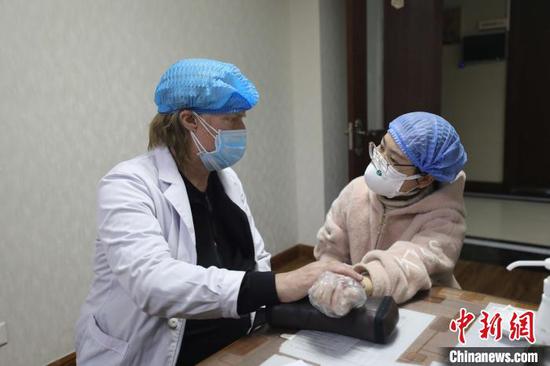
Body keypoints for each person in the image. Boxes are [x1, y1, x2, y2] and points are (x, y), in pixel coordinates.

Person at [74, 58, 362, 366]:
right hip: (155, 354)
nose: (242, 129)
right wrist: (283, 284)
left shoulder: (225, 178)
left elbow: (256, 260)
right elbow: (153, 284)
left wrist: (307, 294)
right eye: (233, 119)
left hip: (236, 345)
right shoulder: (128, 184)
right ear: (189, 120)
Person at [309, 112, 468, 317]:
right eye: (382, 147)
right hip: (363, 306)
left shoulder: (446, 217)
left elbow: (411, 264)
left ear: (424, 179)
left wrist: (360, 284)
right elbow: (331, 246)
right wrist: (327, 277)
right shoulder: (355, 191)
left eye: (392, 159)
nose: (379, 160)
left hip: (422, 309)